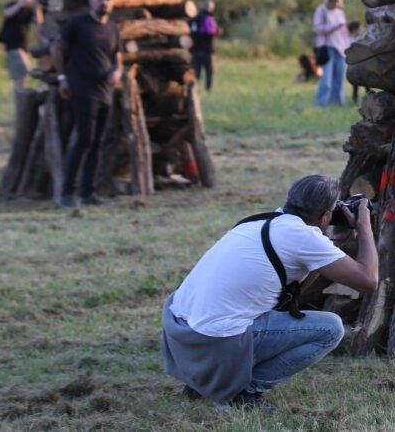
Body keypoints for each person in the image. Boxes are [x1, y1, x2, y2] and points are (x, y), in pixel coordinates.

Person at [161, 175, 378, 412]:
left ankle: (203, 381)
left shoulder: (258, 222)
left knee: (243, 313)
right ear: (326, 215)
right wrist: (364, 226)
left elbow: (290, 291)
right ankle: (242, 394)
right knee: (330, 329)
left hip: (182, 335)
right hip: (215, 340)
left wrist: (331, 244)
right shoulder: (302, 236)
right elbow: (368, 280)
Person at [50, 0, 123, 208]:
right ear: (91, 1)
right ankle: (67, 193)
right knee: (83, 140)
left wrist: (117, 72)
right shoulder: (78, 25)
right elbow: (57, 48)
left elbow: (118, 57)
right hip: (82, 90)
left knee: (97, 143)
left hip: (105, 94)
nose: (104, 2)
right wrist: (62, 78)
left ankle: (88, 192)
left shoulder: (112, 28)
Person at [0, 0, 41, 95]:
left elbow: (39, 22)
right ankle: (19, 96)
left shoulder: (29, 10)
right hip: (13, 46)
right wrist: (20, 3)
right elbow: (8, 12)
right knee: (24, 72)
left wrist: (37, 6)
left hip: (23, 46)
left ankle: (20, 95)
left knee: (22, 76)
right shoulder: (13, 4)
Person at [313, 0, 351, 107]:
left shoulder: (340, 13)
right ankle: (321, 103)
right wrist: (333, 27)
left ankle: (338, 102)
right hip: (327, 48)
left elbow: (344, 33)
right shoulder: (321, 10)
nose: (336, 4)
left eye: (339, 1)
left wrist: (348, 47)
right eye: (334, 1)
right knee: (326, 80)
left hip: (341, 49)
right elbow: (318, 29)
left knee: (339, 79)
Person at [190, 0, 220, 92]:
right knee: (209, 72)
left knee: (195, 72)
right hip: (207, 50)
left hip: (195, 50)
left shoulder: (194, 18)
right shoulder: (209, 18)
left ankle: (193, 89)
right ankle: (208, 89)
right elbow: (211, 32)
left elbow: (191, 32)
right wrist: (218, 31)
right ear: (210, 8)